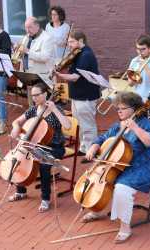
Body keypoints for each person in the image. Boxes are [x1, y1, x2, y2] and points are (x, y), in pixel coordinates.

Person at [79, 91, 150, 243]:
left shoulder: (145, 124)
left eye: (122, 108)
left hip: (140, 167)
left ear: (134, 109)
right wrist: (94, 146)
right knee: (98, 180)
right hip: (117, 165)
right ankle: (97, 209)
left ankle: (125, 228)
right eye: (117, 108)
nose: (119, 111)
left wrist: (135, 127)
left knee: (122, 189)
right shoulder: (118, 125)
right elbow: (103, 137)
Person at [8, 82, 71, 212]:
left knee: (44, 165)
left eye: (37, 95)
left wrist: (54, 109)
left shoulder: (56, 108)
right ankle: (21, 191)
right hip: (36, 145)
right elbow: (17, 121)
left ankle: (45, 199)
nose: (34, 98)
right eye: (32, 96)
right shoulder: (33, 109)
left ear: (46, 94)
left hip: (55, 147)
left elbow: (68, 125)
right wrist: (15, 128)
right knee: (18, 160)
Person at [55, 30, 101, 163]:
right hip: (77, 95)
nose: (69, 45)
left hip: (85, 95)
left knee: (88, 125)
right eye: (68, 41)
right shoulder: (78, 53)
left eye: (71, 42)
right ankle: (83, 147)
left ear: (80, 41)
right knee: (80, 122)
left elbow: (75, 77)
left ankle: (91, 152)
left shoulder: (86, 55)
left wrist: (60, 75)